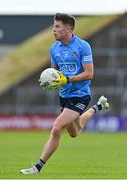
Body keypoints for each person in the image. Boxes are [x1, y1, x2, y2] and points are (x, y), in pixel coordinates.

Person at [20, 13, 109, 175]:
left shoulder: (83, 46)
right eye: (54, 26)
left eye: (57, 26)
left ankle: (37, 167)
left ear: (68, 29)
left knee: (57, 127)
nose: (53, 30)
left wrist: (67, 80)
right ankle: (98, 106)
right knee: (75, 132)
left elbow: (89, 74)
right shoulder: (54, 48)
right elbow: (54, 73)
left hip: (80, 94)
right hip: (64, 96)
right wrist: (48, 81)